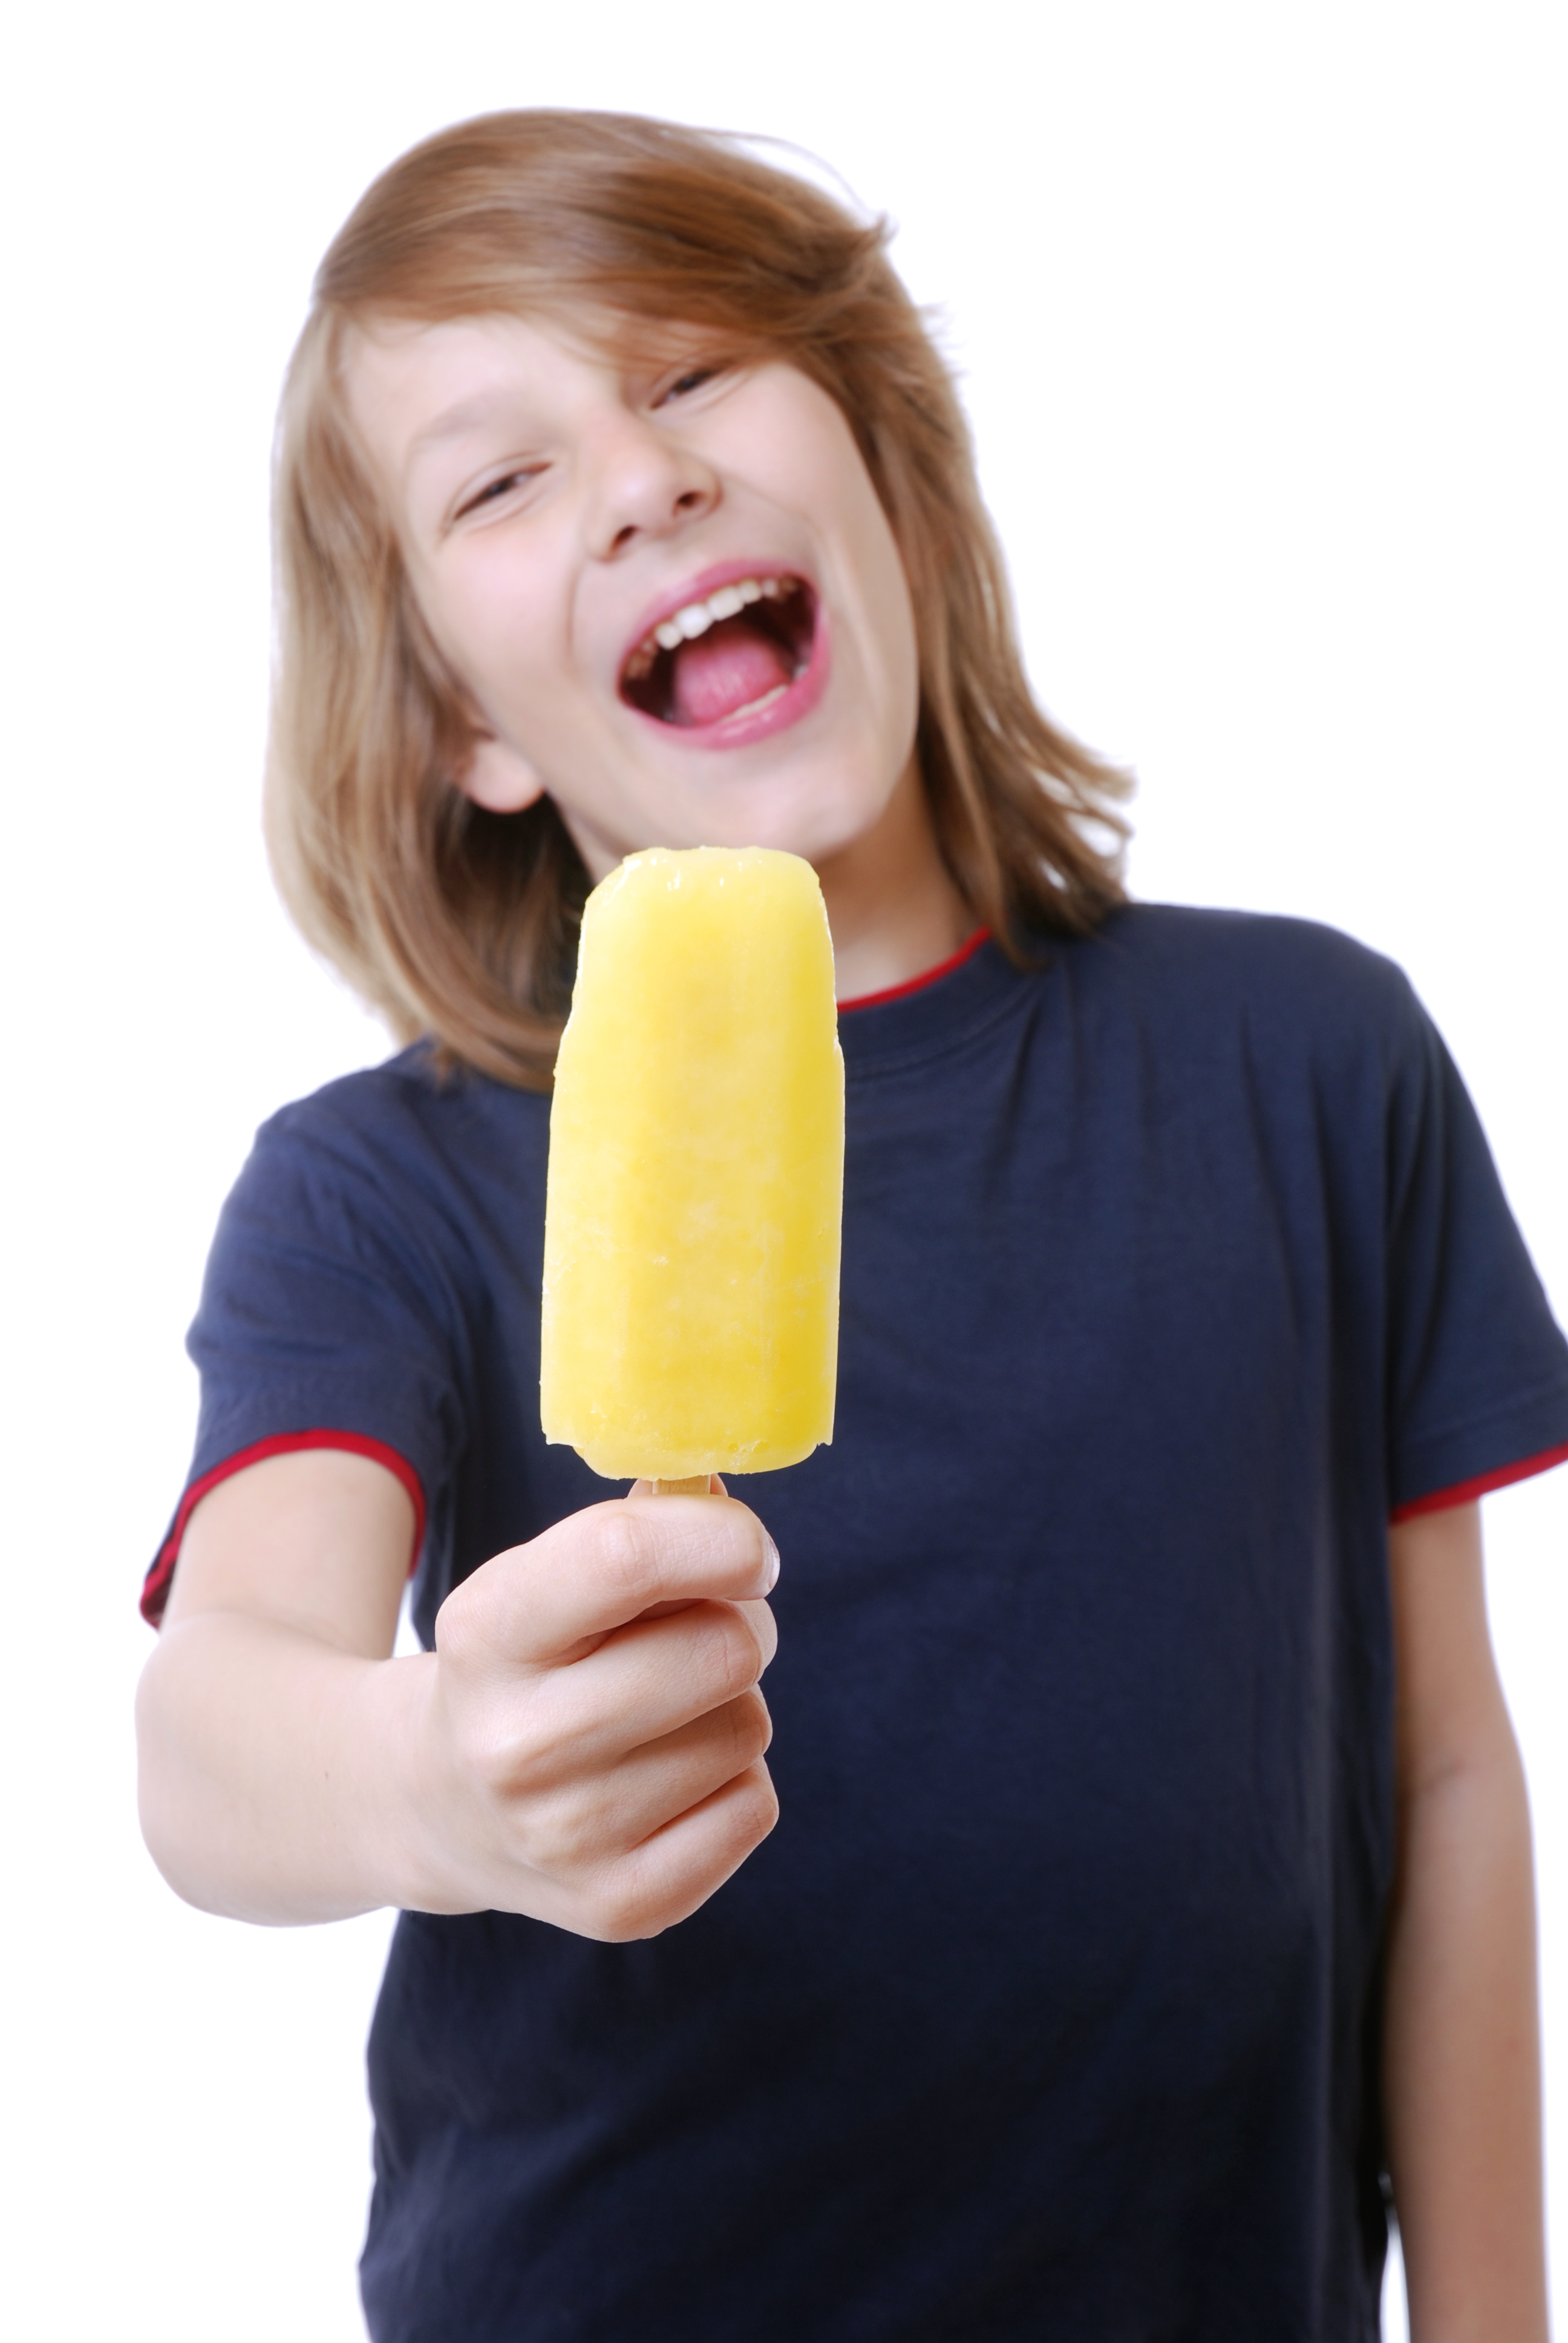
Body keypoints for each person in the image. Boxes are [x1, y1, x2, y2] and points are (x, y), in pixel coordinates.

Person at [134, 110, 1568, 2341]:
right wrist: (437, 1783)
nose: (639, 476)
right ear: (455, 724)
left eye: (693, 369)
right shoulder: (381, 1188)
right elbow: (217, 1728)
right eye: (503, 480)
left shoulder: (1314, 1057)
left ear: (879, 447)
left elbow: (1449, 1762)